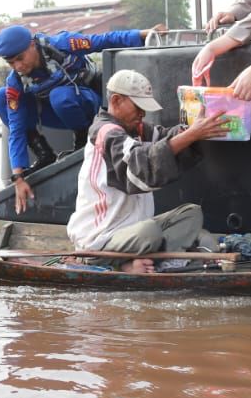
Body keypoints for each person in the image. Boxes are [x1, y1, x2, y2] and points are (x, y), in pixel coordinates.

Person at [65, 70, 229, 274]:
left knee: (192, 213)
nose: (142, 114)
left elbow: (165, 137)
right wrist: (192, 134)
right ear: (116, 101)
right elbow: (140, 165)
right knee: (149, 232)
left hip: (131, 233)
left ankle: (147, 260)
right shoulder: (105, 132)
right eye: (138, 107)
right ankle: (111, 263)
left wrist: (195, 128)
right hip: (99, 237)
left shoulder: (138, 129)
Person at [0, 22, 163, 213]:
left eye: (20, 58)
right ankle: (43, 153)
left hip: (87, 102)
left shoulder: (63, 44)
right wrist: (18, 177)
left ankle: (83, 140)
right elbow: (15, 128)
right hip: (58, 113)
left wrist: (141, 34)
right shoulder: (15, 80)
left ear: (32, 45)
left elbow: (102, 40)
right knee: (0, 98)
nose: (18, 66)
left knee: (60, 96)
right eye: (11, 63)